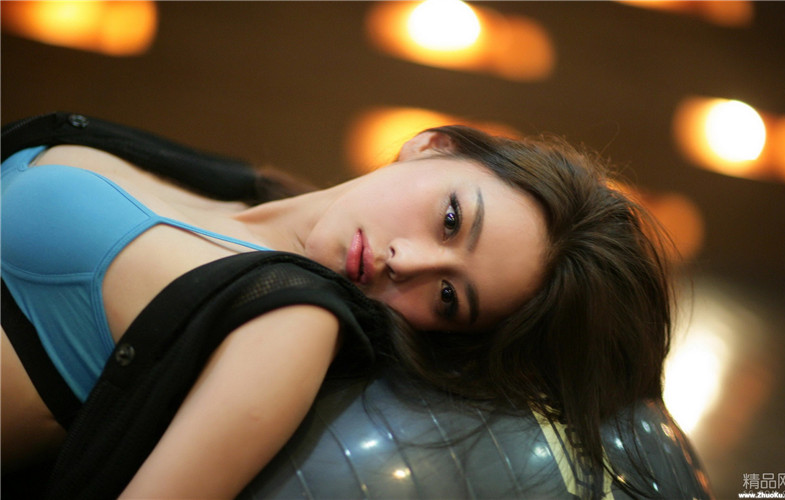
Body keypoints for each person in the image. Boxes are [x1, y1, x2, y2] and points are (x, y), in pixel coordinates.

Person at [1, 112, 673, 499]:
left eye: (447, 297)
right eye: (450, 219)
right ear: (433, 145)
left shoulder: (289, 326)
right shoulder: (236, 185)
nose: (407, 262)